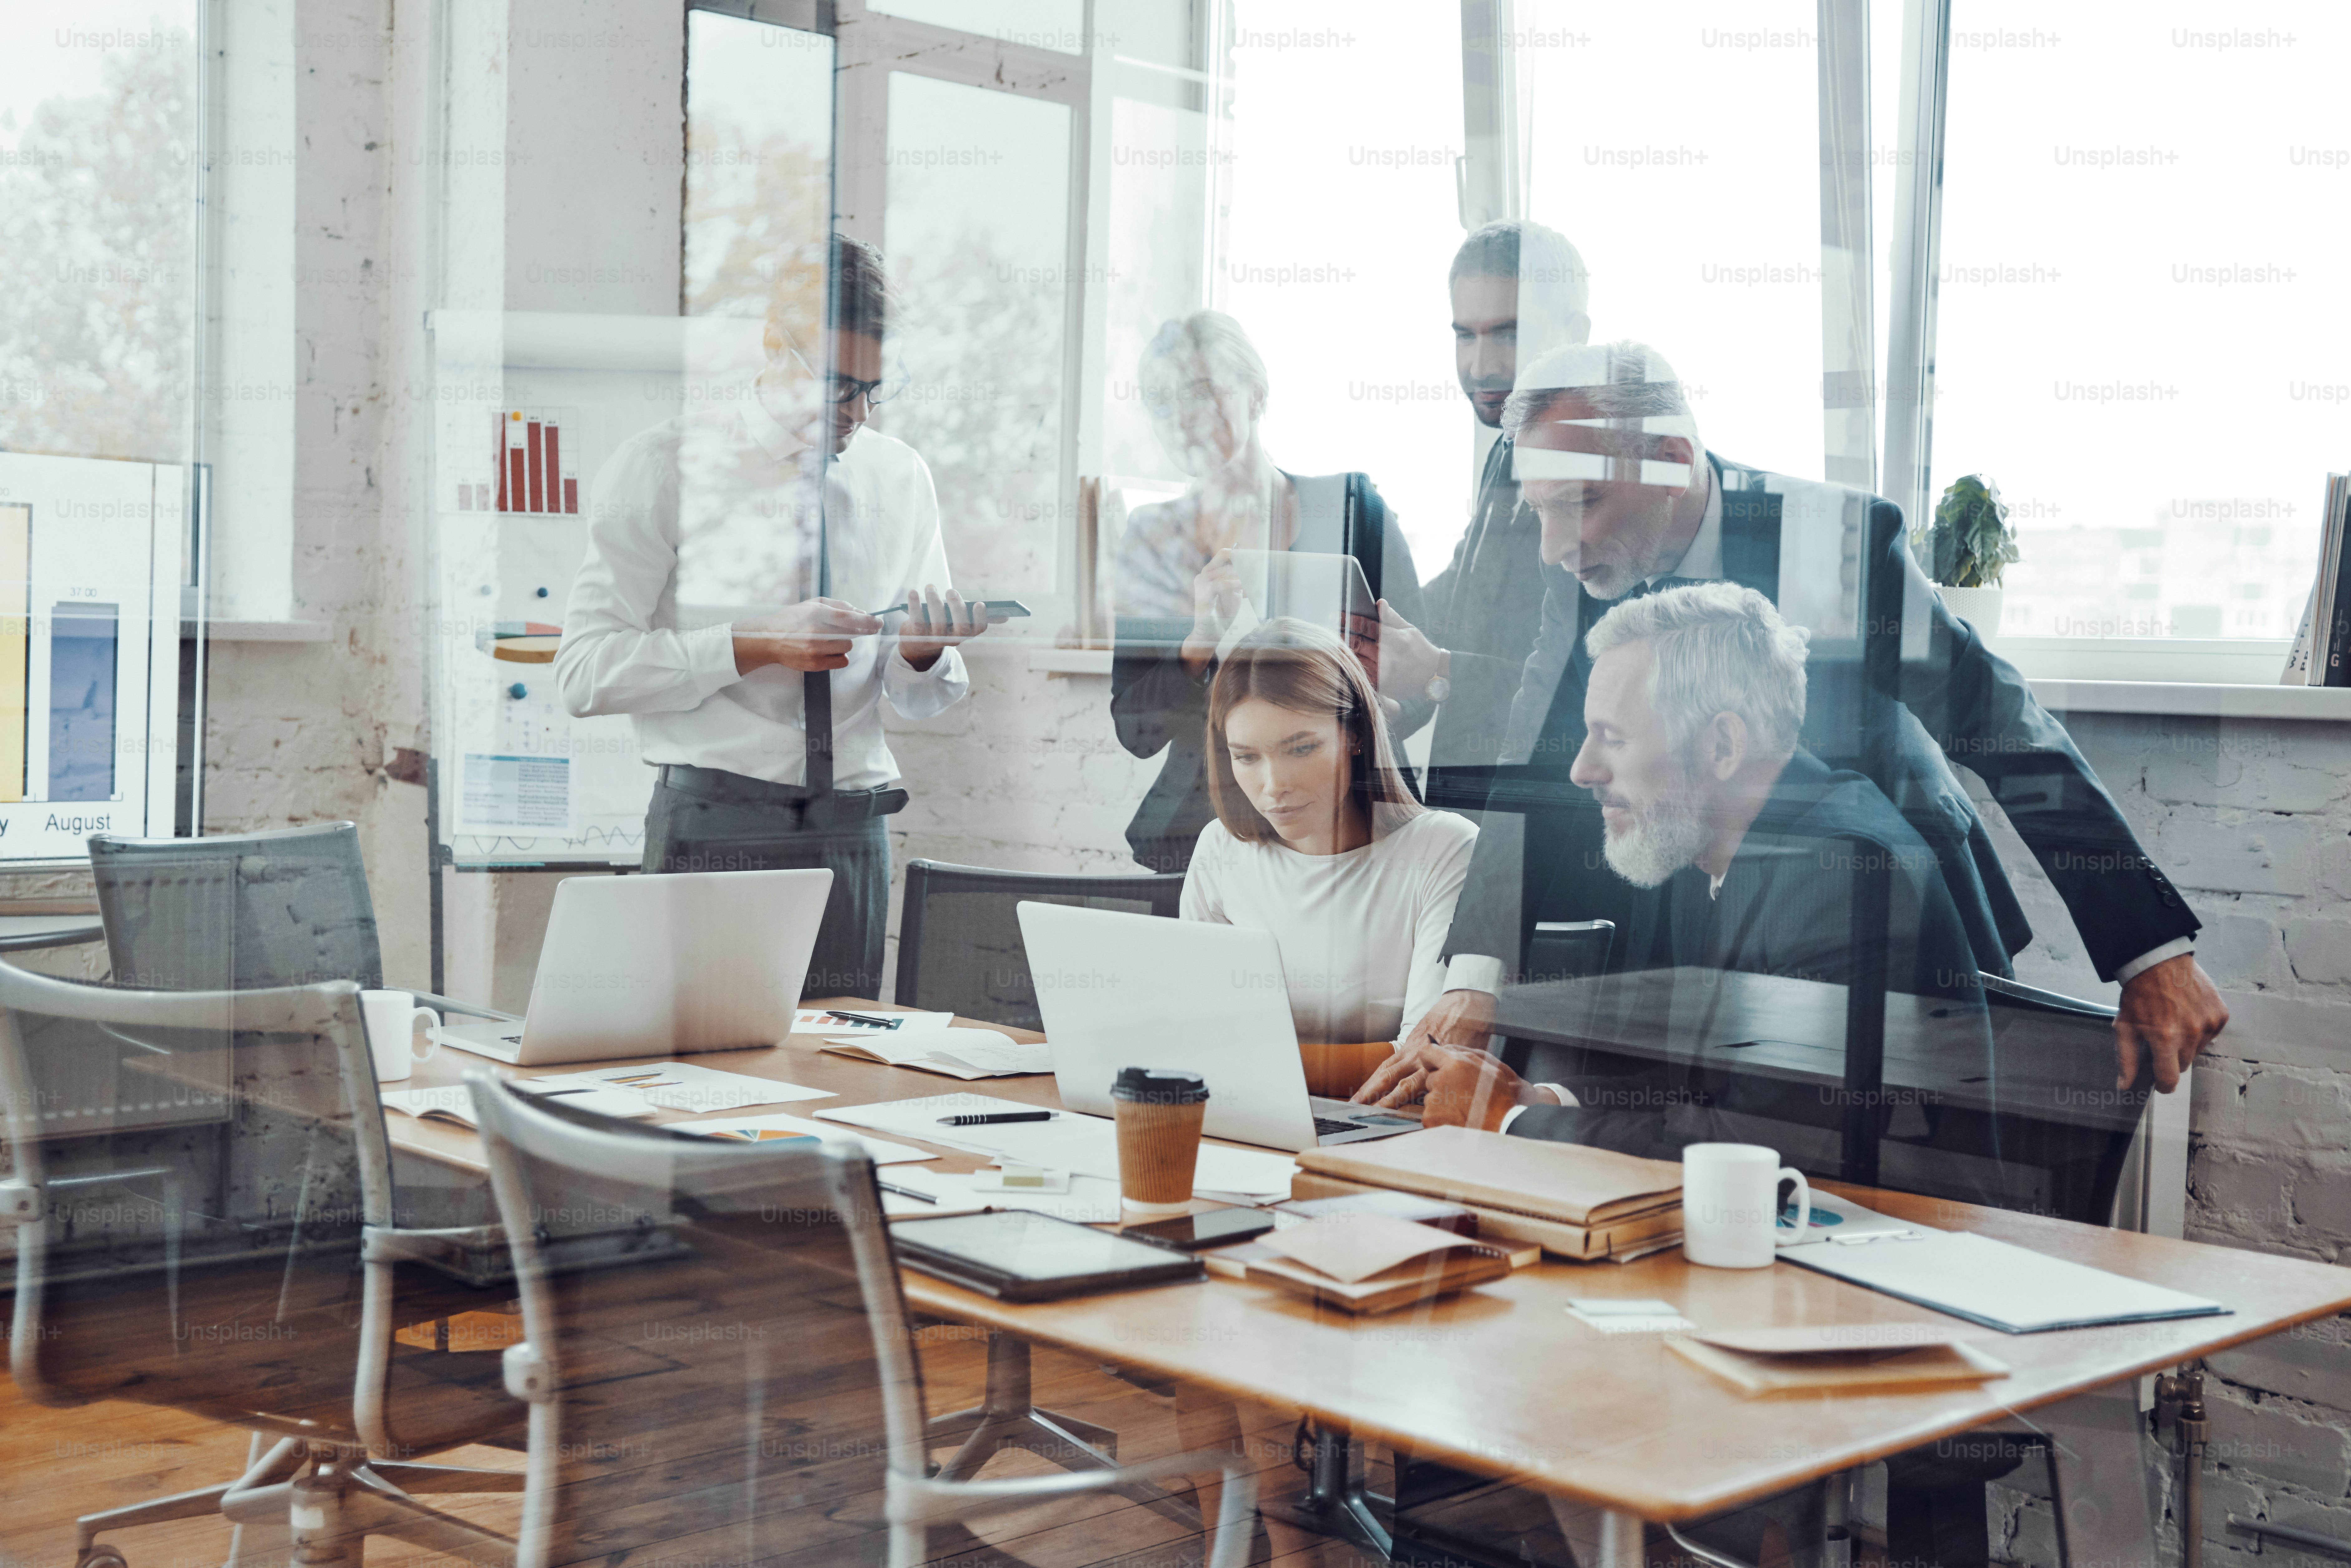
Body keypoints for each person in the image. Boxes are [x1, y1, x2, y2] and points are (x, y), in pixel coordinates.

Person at [1397, 339, 2226, 1097]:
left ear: (1673, 459)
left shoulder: (1827, 546)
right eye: (1539, 508)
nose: (1553, 545)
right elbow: (1537, 744)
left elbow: (1992, 712)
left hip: (1878, 908)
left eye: (1579, 501)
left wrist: (2149, 947)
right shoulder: (1580, 565)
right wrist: (1478, 969)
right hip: (1702, 919)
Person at [1364, 581, 1986, 1148]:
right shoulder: (1710, 840)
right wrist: (1537, 1097)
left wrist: (1511, 1119)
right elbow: (1700, 1085)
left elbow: (1772, 1141)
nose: (1582, 770)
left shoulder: (1839, 875)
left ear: (1721, 746)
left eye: (1614, 737)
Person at [555, 234, 997, 1000]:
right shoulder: (665, 467)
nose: (855, 411)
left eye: (873, 388)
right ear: (772, 346)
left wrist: (922, 655)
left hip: (854, 833)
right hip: (717, 826)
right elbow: (584, 673)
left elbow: (918, 696)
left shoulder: (900, 476)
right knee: (692, 1088)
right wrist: (755, 643)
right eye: (835, 383)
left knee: (839, 1087)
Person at [1111, 311, 1429, 874]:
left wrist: (1358, 708)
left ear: (1255, 395)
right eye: (1161, 403)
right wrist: (1199, 642)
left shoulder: (1354, 509)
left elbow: (1422, 683)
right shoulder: (1152, 536)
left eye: (1201, 393)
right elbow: (1134, 730)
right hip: (1204, 830)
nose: (1182, 419)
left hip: (1348, 823)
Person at [1182, 620, 1476, 1082]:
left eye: (1300, 749)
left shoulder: (1442, 848)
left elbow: (1425, 1059)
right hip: (1243, 1112)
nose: (1274, 787)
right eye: (1246, 757)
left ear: (1355, 735)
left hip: (1388, 1127)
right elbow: (1199, 1026)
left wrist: (1243, 1063)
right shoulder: (1220, 848)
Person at [1366, 219, 1591, 771]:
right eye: (1465, 335)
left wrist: (1437, 670)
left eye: (1508, 333)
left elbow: (1584, 685)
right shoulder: (1509, 447)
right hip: (1472, 805)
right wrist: (1375, 647)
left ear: (1574, 334)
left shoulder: (1602, 471)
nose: (1480, 365)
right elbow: (1469, 590)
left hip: (1544, 815)